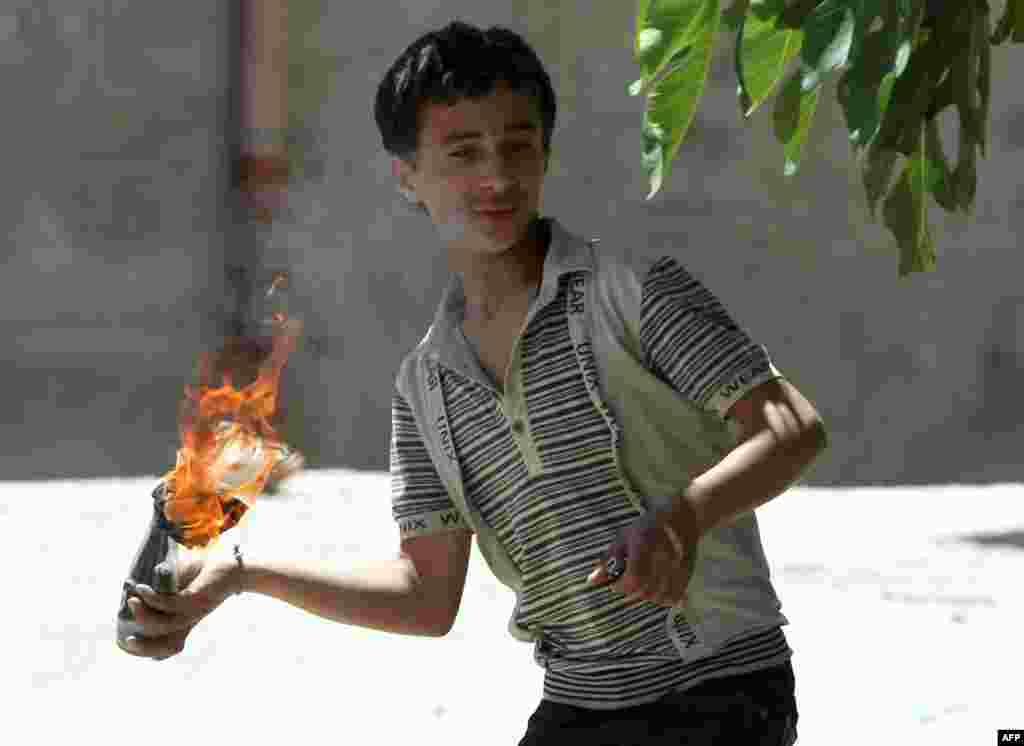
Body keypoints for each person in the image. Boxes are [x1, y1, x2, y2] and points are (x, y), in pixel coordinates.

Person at [120, 21, 827, 745]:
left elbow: (791, 429)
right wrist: (240, 574)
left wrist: (682, 521)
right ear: (408, 177)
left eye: (517, 147)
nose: (496, 178)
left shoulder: (636, 294)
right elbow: (425, 596)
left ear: (545, 155)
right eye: (463, 153)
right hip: (579, 707)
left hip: (722, 693)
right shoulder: (426, 386)